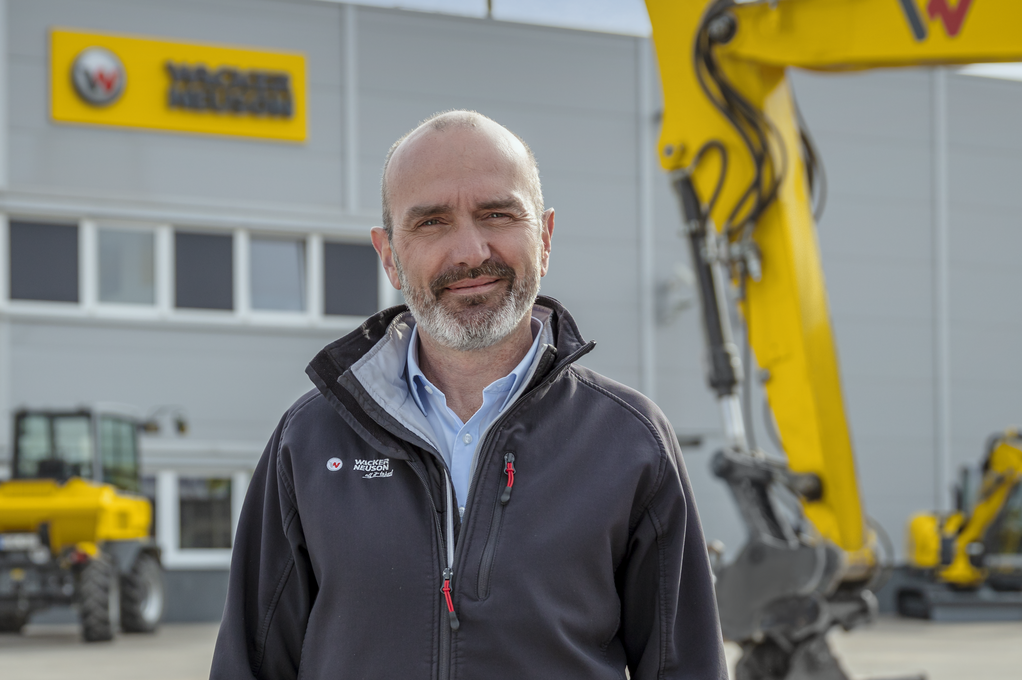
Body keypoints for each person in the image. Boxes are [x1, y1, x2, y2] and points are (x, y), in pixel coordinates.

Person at [210, 110, 724, 679]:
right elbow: (248, 665)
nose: (471, 252)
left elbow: (688, 668)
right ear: (389, 255)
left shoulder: (630, 442)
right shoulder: (309, 440)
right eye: (431, 222)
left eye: (497, 214)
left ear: (545, 237)